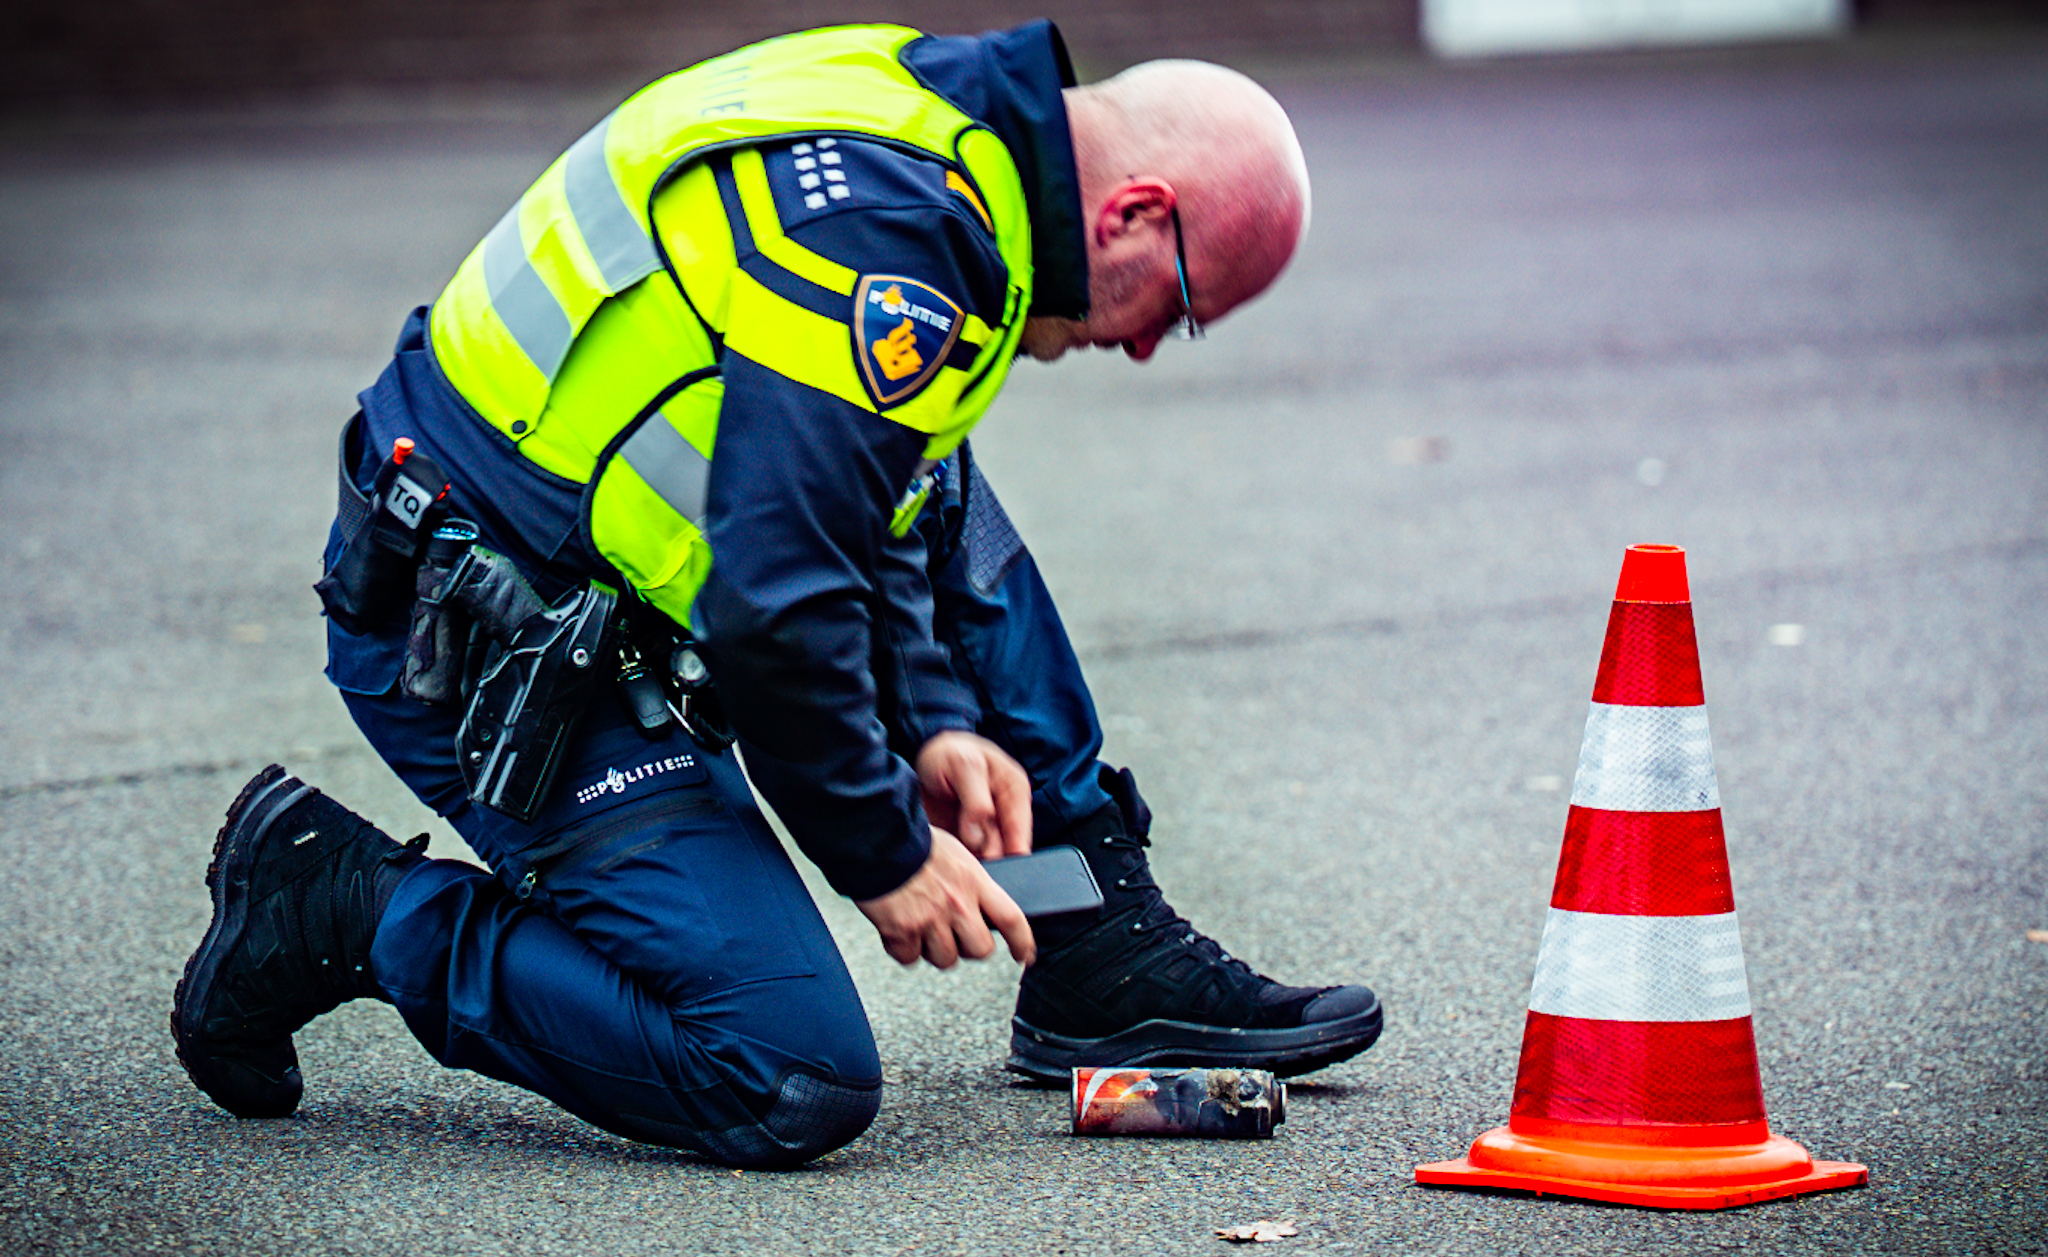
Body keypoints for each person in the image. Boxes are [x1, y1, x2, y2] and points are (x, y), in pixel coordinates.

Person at [170, 19, 1382, 1169]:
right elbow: (778, 594)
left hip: (615, 575)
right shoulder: (894, 235)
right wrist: (880, 847)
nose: (1142, 349)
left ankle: (1088, 940)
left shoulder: (943, 135)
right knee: (783, 1073)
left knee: (931, 474)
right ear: (1134, 212)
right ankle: (343, 904)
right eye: (1178, 310)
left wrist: (936, 721)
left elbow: (879, 494)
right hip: (482, 634)